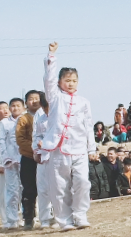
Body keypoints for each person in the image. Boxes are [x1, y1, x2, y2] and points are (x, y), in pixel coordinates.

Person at [41, 42, 96, 230]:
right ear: (59, 82)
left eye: (74, 80)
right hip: (58, 148)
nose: (70, 84)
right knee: (59, 187)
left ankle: (80, 215)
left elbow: (88, 126)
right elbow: (48, 79)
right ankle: (64, 220)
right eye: (67, 80)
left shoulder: (84, 102)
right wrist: (52, 55)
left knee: (82, 182)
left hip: (79, 148)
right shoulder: (54, 97)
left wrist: (92, 148)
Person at [0, 97, 26, 229]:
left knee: (27, 189)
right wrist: (5, 159)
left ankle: (29, 217)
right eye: (13, 106)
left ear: (23, 107)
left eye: (18, 106)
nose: (15, 108)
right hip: (10, 161)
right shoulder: (4, 124)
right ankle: (12, 220)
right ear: (10, 108)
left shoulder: (28, 120)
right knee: (12, 190)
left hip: (25, 158)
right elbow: (1, 142)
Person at [16, 90, 41, 230]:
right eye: (31, 99)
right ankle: (28, 219)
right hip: (29, 158)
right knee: (29, 190)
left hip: (45, 158)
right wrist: (35, 149)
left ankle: (50, 216)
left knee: (48, 188)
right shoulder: (23, 119)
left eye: (37, 98)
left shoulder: (46, 116)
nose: (34, 101)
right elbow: (20, 139)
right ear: (26, 103)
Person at [32, 91, 56, 229]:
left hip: (57, 155)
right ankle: (45, 219)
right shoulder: (39, 117)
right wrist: (37, 151)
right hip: (42, 157)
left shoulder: (60, 116)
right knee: (43, 189)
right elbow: (36, 136)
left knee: (59, 188)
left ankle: (61, 216)